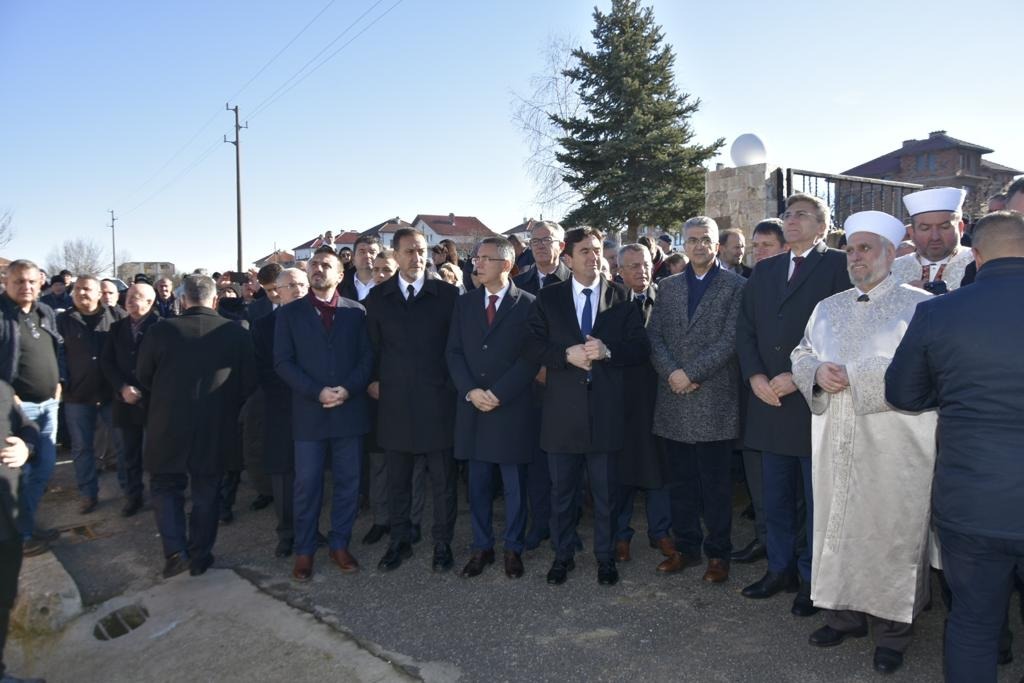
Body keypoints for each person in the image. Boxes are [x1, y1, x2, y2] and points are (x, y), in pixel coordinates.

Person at [791, 211, 936, 675]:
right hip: (835, 435)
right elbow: (802, 351)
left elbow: (927, 370)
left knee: (892, 528)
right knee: (837, 524)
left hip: (896, 440)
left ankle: (893, 630)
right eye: (851, 249)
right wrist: (815, 373)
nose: (856, 257)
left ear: (892, 253)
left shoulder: (921, 307)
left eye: (866, 248)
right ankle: (843, 614)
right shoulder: (828, 306)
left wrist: (854, 376)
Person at [886, 210, 1024, 682]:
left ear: (977, 256)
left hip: (970, 500)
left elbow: (902, 393)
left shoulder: (939, 312)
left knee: (972, 622)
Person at [736, 193, 851, 615]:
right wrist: (755, 376)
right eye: (787, 214)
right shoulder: (764, 271)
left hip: (811, 401)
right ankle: (778, 569)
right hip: (768, 400)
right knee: (775, 497)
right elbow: (745, 330)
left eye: (802, 215)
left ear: (823, 225)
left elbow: (844, 332)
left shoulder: (838, 267)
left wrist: (798, 376)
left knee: (815, 498)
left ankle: (811, 579)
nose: (791, 220)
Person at [524, 227, 649, 586]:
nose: (593, 256)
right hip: (562, 413)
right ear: (568, 257)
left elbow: (640, 348)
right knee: (562, 493)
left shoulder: (622, 296)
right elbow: (531, 346)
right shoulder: (549, 299)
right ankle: (562, 556)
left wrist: (609, 352)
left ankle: (605, 557)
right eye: (585, 251)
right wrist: (565, 355)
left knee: (607, 494)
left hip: (607, 412)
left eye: (597, 250)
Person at [136, 274, 256, 578]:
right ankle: (200, 555)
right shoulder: (236, 332)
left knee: (165, 487)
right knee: (207, 491)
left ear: (182, 300)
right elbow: (248, 383)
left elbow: (144, 376)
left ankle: (176, 551)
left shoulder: (160, 331)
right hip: (216, 424)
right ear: (215, 300)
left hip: (167, 422)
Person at [648, 217, 745, 583]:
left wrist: (692, 374)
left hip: (713, 397)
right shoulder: (668, 286)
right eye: (692, 240)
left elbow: (731, 339)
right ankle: (686, 548)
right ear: (682, 246)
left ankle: (718, 554)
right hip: (673, 397)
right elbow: (654, 336)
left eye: (706, 240)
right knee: (681, 482)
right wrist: (673, 373)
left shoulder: (736, 286)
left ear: (717, 245)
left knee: (716, 485)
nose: (699, 246)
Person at [275, 248, 373, 580]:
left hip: (349, 410)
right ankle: (304, 551)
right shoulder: (289, 314)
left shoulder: (356, 312)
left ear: (340, 274)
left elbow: (366, 359)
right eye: (314, 264)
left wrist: (347, 389)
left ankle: (339, 544)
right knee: (307, 485)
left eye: (326, 265)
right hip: (309, 413)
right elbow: (283, 363)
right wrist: (316, 392)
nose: (318, 269)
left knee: (348, 482)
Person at [366, 228, 460, 573]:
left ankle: (442, 543)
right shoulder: (378, 298)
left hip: (438, 404)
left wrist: (449, 388)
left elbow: (456, 348)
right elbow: (372, 349)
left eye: (421, 251)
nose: (417, 257)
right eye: (409, 251)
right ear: (396, 254)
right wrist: (374, 381)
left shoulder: (448, 296)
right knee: (398, 480)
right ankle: (399, 541)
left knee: (443, 482)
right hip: (395, 405)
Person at [446, 236, 538, 579]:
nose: (477, 264)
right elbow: (453, 352)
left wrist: (498, 393)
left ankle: (513, 548)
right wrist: (471, 390)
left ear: (506, 264)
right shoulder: (465, 304)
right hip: (473, 407)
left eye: (485, 258)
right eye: (475, 258)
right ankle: (481, 546)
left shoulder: (528, 303)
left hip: (510, 407)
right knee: (478, 485)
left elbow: (530, 358)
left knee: (515, 486)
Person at [611, 244, 673, 565]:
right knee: (622, 470)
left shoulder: (667, 300)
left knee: (658, 469)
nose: (641, 271)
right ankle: (621, 535)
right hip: (622, 400)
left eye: (646, 264)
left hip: (660, 398)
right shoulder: (610, 304)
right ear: (619, 270)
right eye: (633, 266)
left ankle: (660, 532)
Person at [362, 249, 429, 547]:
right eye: (376, 271)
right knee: (379, 464)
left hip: (412, 396)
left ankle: (412, 520)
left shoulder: (414, 301)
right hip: (378, 396)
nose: (380, 276)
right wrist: (371, 381)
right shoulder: (369, 305)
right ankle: (381, 519)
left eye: (386, 270)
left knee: (413, 464)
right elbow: (367, 350)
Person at [732, 217, 790, 565]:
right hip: (755, 395)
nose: (758, 252)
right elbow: (745, 334)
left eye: (766, 245)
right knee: (759, 478)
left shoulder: (800, 283)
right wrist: (754, 376)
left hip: (792, 396)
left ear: (785, 248)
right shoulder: (753, 282)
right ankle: (764, 540)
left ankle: (790, 553)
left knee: (789, 487)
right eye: (755, 246)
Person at [512, 220, 571, 550]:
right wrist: (534, 370)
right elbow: (517, 338)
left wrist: (557, 368)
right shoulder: (519, 283)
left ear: (561, 246)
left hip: (568, 385)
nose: (538, 245)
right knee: (536, 462)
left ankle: (567, 526)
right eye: (533, 240)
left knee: (568, 462)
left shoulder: (576, 281)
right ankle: (540, 522)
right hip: (531, 386)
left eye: (546, 240)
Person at [0, 260, 63, 557]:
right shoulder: (2, 316)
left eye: (31, 282)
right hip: (17, 411)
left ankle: (27, 526)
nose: (26, 287)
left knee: (44, 468)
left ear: (40, 283)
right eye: (18, 282)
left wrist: (59, 380)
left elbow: (56, 348)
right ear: (7, 282)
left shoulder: (45, 312)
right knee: (18, 475)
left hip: (49, 405)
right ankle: (21, 537)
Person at [56, 276, 126, 514]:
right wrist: (63, 382)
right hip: (78, 396)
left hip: (111, 394)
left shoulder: (116, 317)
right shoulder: (63, 320)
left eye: (86, 289)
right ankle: (88, 493)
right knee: (82, 448)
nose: (81, 293)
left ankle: (129, 491)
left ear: (99, 293)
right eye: (77, 289)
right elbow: (59, 355)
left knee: (122, 443)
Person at [251, 267, 307, 558]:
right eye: (290, 286)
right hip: (282, 409)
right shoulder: (263, 327)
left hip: (315, 411)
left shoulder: (321, 320)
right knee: (284, 475)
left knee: (309, 476)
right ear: (276, 292)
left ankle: (310, 529)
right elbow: (265, 372)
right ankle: (286, 533)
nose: (296, 290)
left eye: (301, 285)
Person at [100, 283, 158, 517]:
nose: (131, 300)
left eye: (138, 297)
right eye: (129, 296)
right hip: (125, 400)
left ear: (150, 302)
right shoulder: (116, 328)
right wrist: (122, 388)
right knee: (129, 453)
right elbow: (107, 362)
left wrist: (148, 388)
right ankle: (134, 496)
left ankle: (161, 495)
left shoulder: (161, 327)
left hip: (154, 400)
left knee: (156, 452)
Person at [0, 379, 41, 683]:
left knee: (4, 597)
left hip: (7, 519)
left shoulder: (1, 389)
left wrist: (26, 447)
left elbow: (27, 426)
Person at [889, 187, 970, 294]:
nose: (935, 237)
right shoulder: (893, 269)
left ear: (960, 228)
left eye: (944, 227)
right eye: (925, 228)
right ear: (912, 233)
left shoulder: (979, 263)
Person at [339, 235, 381, 303]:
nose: (367, 256)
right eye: (362, 252)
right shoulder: (340, 284)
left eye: (372, 252)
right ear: (354, 257)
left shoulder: (390, 284)